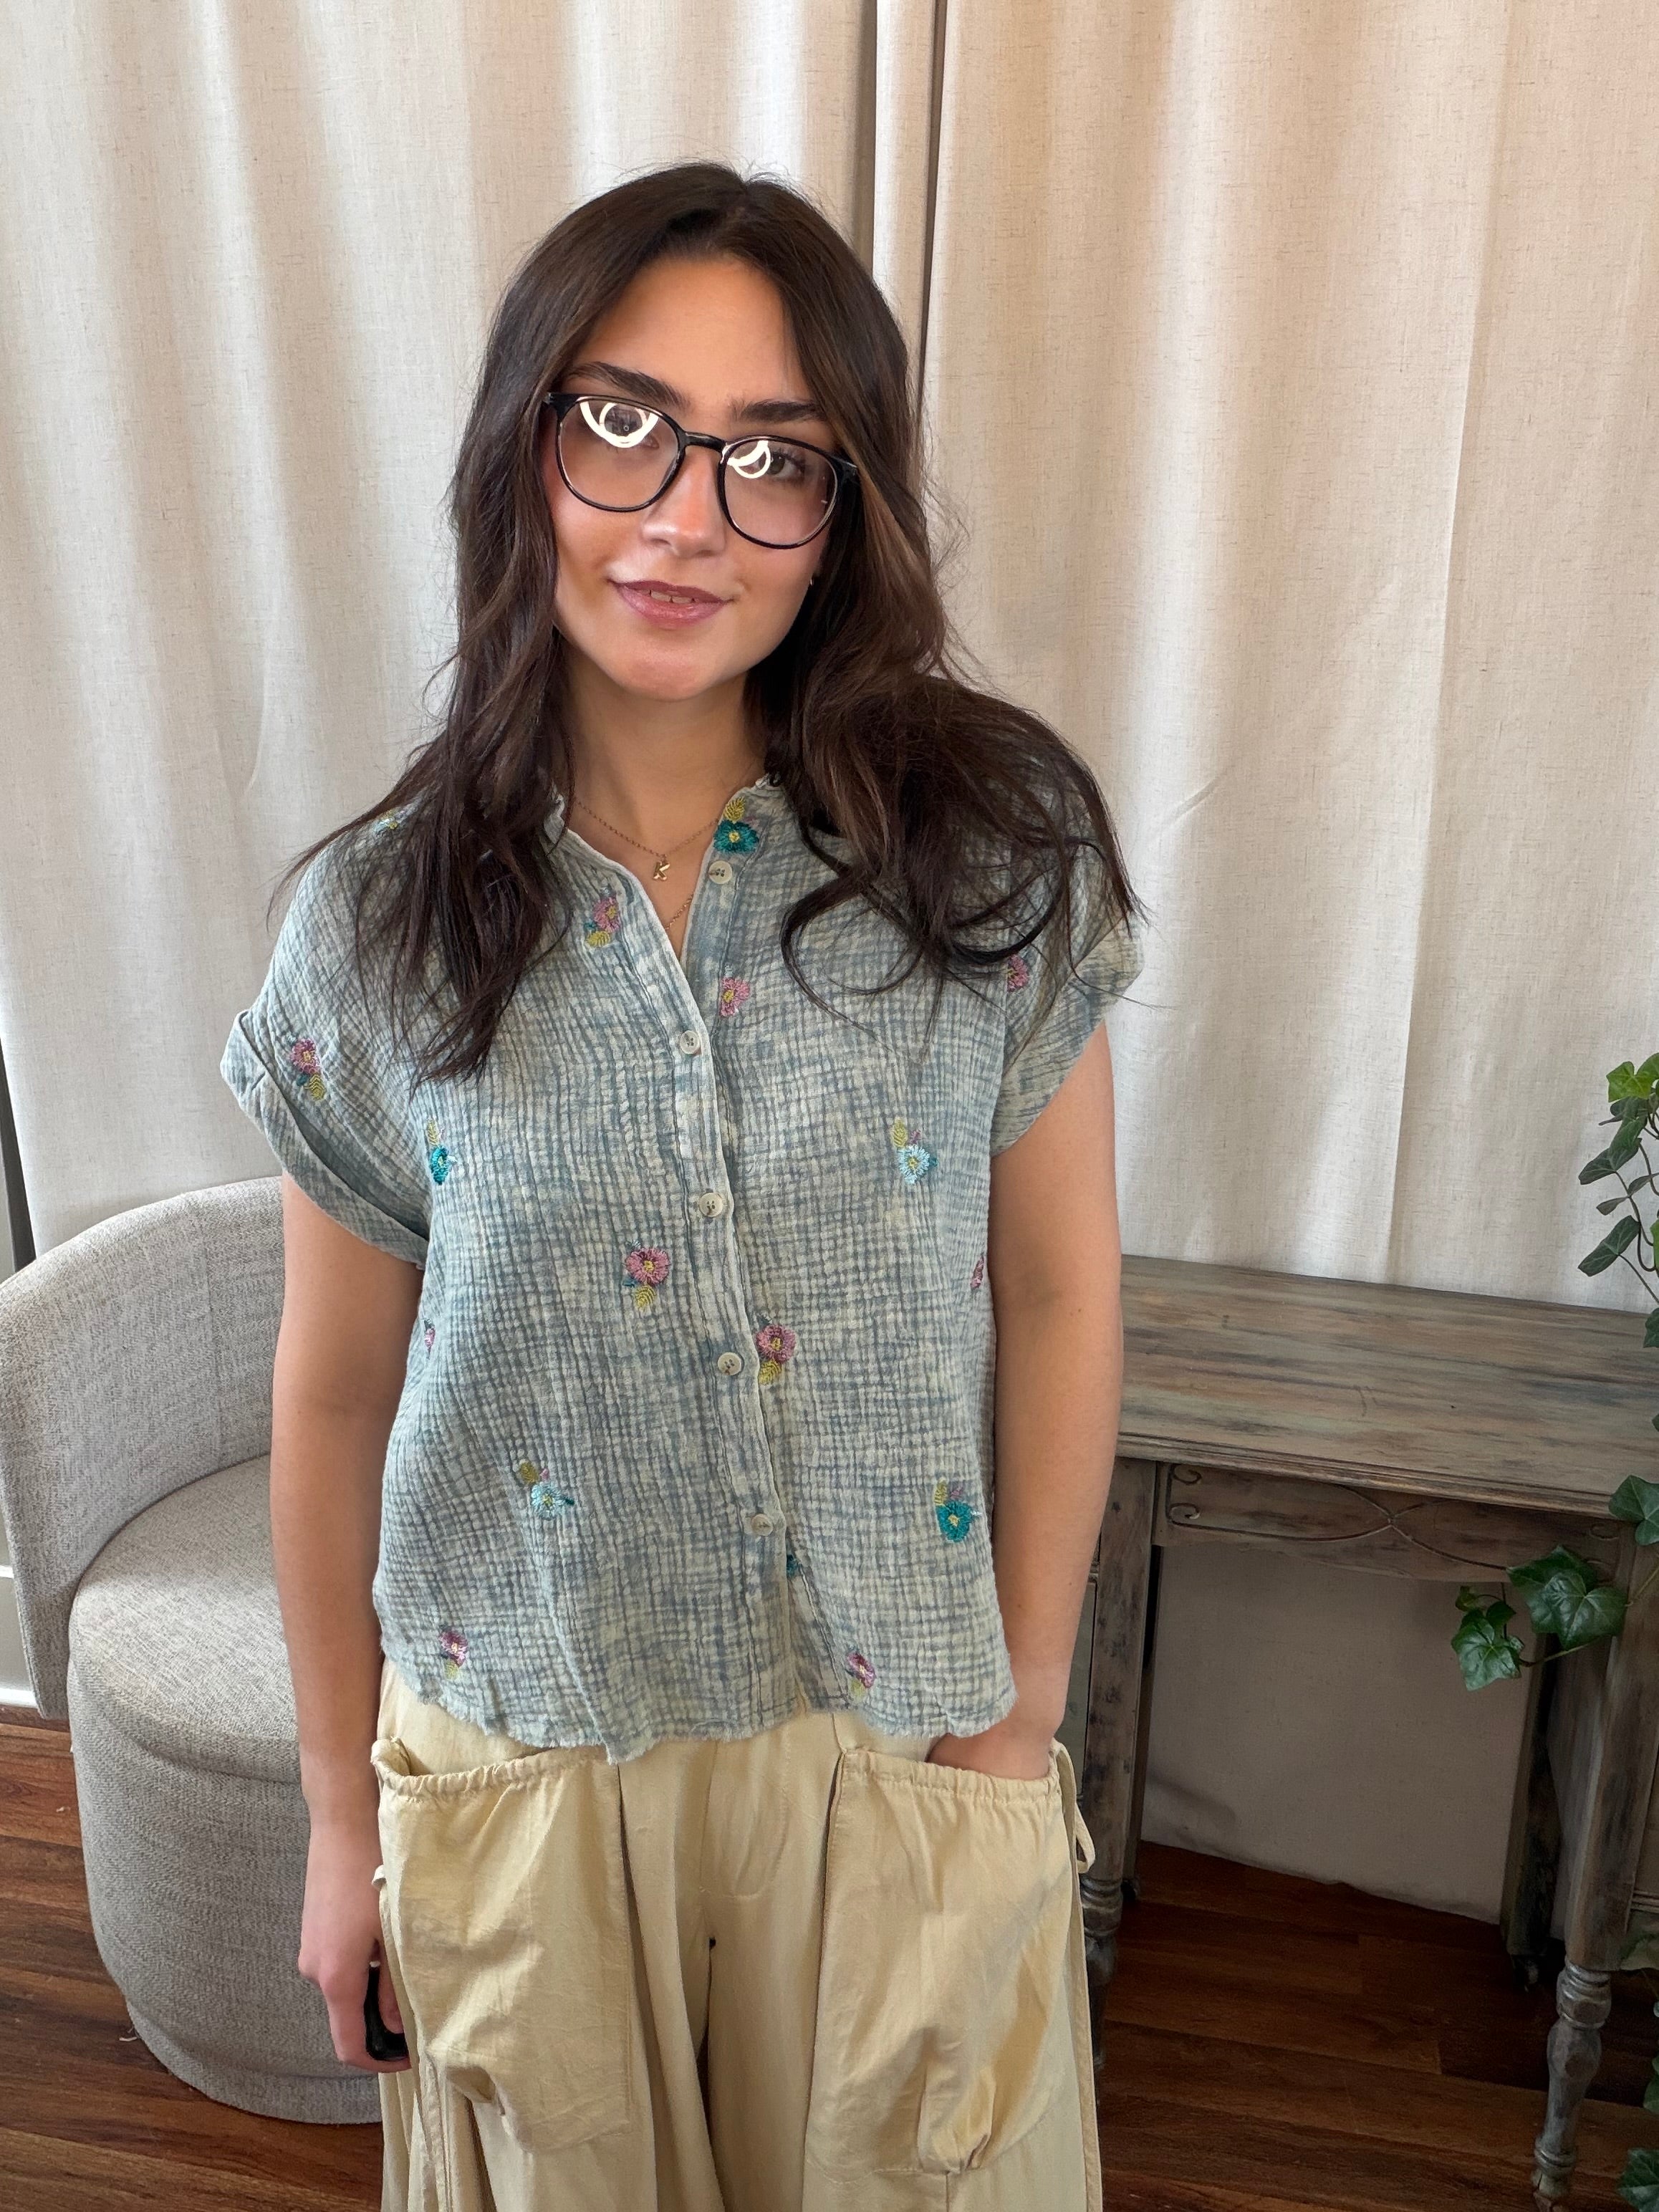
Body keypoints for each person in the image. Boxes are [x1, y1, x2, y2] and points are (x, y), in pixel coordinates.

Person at [221, 158, 1146, 2212]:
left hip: (896, 1752)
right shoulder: (376, 927)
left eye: (774, 458)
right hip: (525, 1769)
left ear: (845, 512)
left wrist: (1020, 1719)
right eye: (624, 423)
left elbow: (1063, 1292)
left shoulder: (988, 859)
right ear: (523, 445)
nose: (686, 518)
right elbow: (336, 1392)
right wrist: (338, 1825)